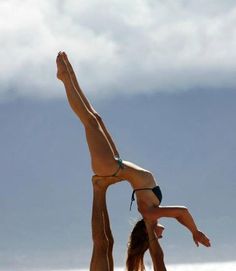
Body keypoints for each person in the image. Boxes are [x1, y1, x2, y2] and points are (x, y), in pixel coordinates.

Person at [56, 51, 211, 249]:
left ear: (149, 232)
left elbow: (182, 212)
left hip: (110, 167)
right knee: (96, 119)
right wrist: (192, 230)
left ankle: (65, 81)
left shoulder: (149, 214)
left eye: (158, 237)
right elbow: (179, 216)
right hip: (116, 164)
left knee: (89, 122)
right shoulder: (155, 211)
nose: (162, 235)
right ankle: (69, 74)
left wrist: (195, 232)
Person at [82, 176, 210, 271]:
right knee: (109, 242)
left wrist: (150, 227)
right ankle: (102, 190)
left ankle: (97, 190)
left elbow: (158, 259)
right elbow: (156, 259)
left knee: (101, 244)